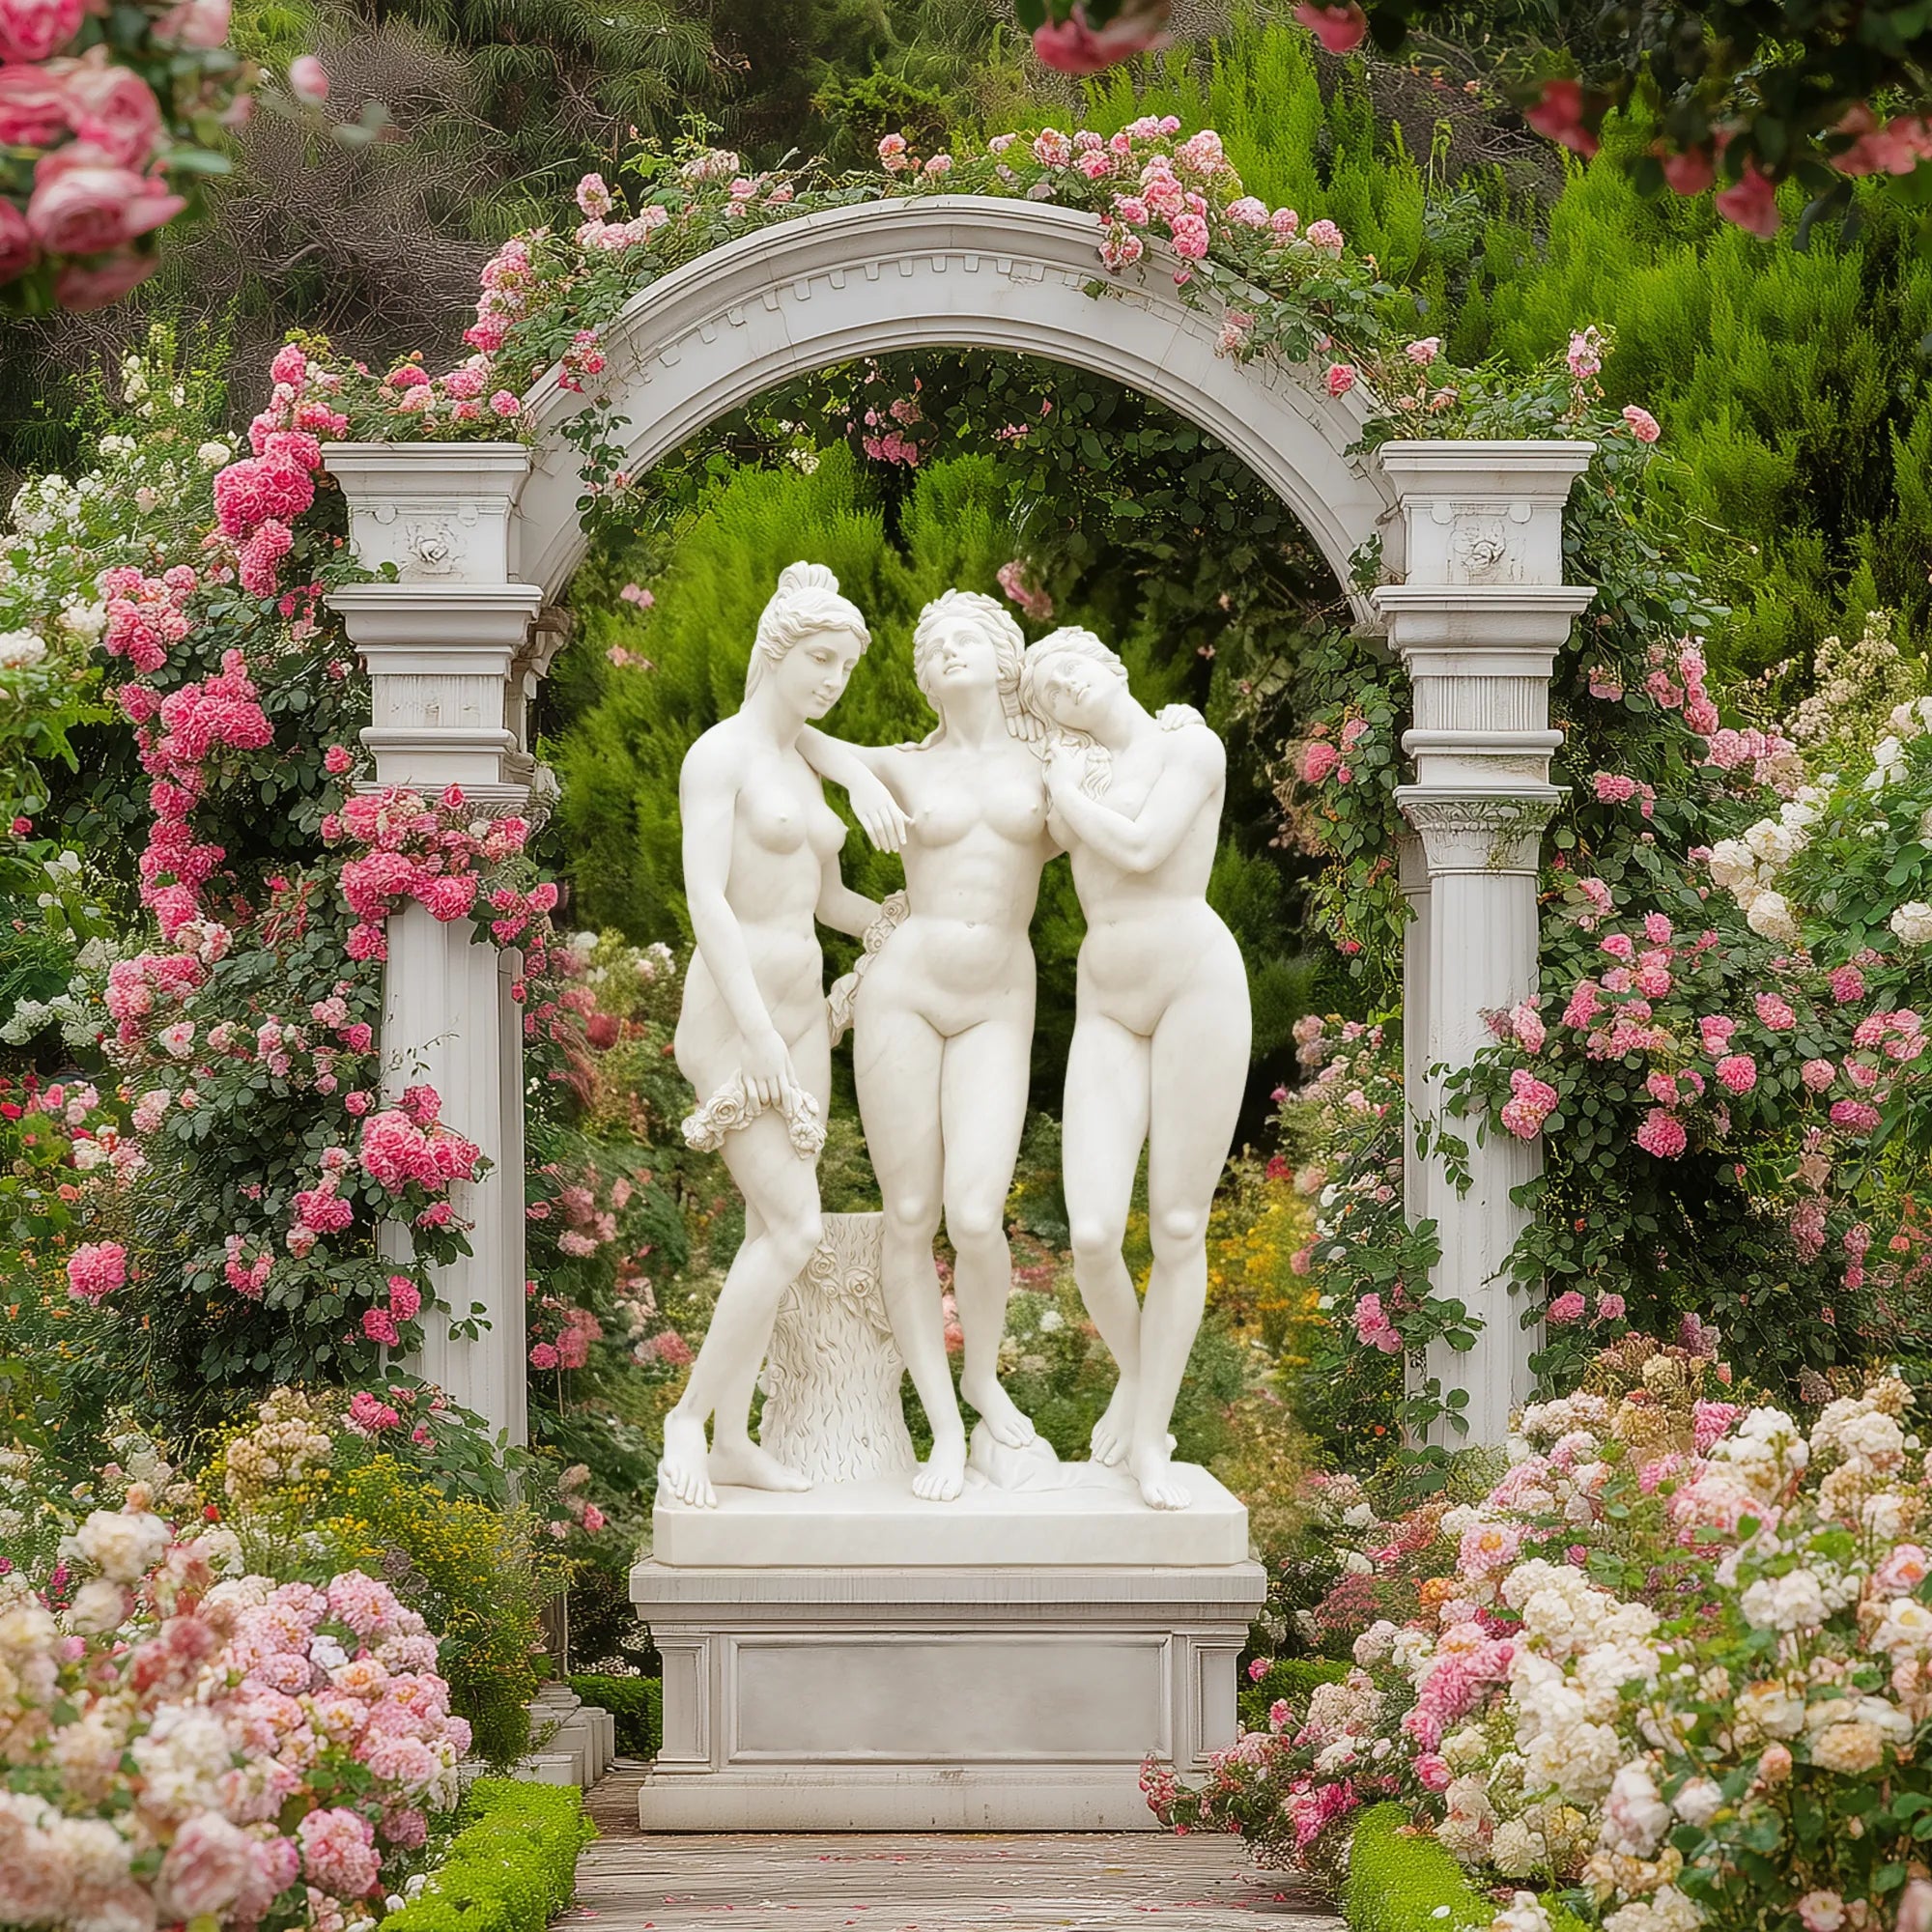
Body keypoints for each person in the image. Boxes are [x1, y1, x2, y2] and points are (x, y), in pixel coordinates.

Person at [799, 589, 1057, 1500]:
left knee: (977, 1215)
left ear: (1002, 658)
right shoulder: (905, 765)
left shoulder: (1048, 762)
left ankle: (984, 1379)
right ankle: (944, 1427)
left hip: (996, 996)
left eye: (965, 639)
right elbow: (783, 726)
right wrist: (863, 778)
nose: (947, 651)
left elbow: (1133, 805)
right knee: (910, 1217)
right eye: (932, 642)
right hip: (905, 990)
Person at [659, 562, 883, 1510]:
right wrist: (755, 1035)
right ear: (778, 650)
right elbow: (706, 897)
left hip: (802, 1010)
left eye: (845, 663)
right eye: (819, 657)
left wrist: (900, 924)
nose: (832, 677)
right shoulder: (721, 755)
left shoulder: (798, 761)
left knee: (770, 1227)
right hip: (734, 1012)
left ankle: (735, 1438)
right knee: (792, 1226)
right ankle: (685, 1421)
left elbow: (821, 898)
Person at [1016, 625, 1251, 1511]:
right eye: (1041, 690)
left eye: (1069, 669)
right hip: (1108, 999)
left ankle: (1149, 1434)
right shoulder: (1063, 778)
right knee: (1091, 1237)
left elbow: (1147, 848)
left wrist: (1066, 790)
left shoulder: (1189, 744)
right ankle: (1140, 1377)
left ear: (1112, 665)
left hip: (1195, 979)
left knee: (1180, 1226)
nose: (1060, 689)